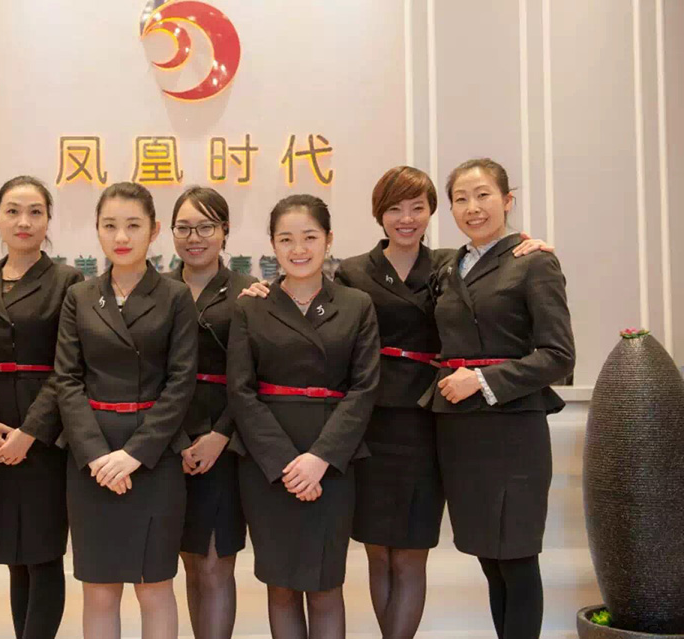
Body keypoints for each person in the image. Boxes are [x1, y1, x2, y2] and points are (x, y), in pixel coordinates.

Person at [333, 167, 553, 639]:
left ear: (433, 211)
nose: (406, 218)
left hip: (430, 418)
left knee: (413, 551)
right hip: (370, 420)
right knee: (377, 550)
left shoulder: (448, 265)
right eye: (394, 208)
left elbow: (499, 273)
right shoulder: (352, 270)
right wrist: (260, 288)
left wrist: (528, 246)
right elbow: (317, 310)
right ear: (378, 214)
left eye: (417, 207)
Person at [421, 158, 575, 639]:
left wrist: (483, 381)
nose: (473, 207)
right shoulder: (447, 265)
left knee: (518, 558)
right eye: (461, 199)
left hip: (513, 430)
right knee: (490, 559)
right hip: (459, 431)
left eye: (483, 194)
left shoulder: (534, 261)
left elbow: (559, 356)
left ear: (507, 200)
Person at [227, 194, 381, 639]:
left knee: (325, 585)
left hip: (332, 460)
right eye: (286, 239)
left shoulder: (356, 304)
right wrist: (284, 463)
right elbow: (240, 391)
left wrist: (320, 459)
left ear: (328, 240)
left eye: (310, 237)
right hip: (266, 463)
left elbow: (365, 388)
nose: (298, 249)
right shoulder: (250, 305)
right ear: (272, 245)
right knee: (280, 586)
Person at [54, 182, 198, 639]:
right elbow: (67, 380)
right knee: (98, 588)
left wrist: (135, 454)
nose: (121, 236)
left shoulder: (175, 296)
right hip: (91, 457)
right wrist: (97, 455)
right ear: (97, 230)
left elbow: (181, 382)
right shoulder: (80, 296)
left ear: (153, 231)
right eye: (110, 225)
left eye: (133, 225)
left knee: (154, 585)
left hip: (154, 456)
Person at [0, 176, 83, 639]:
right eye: (12, 211)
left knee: (43, 554)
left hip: (46, 435)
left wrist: (31, 432)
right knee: (14, 556)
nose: (24, 221)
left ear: (49, 220)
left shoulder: (68, 281)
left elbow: (69, 365)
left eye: (35, 211)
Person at [165, 186, 257, 639]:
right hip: (169, 440)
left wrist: (222, 435)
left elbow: (255, 376)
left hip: (227, 440)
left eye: (205, 227)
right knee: (189, 561)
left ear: (224, 231)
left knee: (217, 564)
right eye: (184, 228)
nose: (194, 237)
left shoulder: (249, 293)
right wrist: (178, 439)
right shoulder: (158, 289)